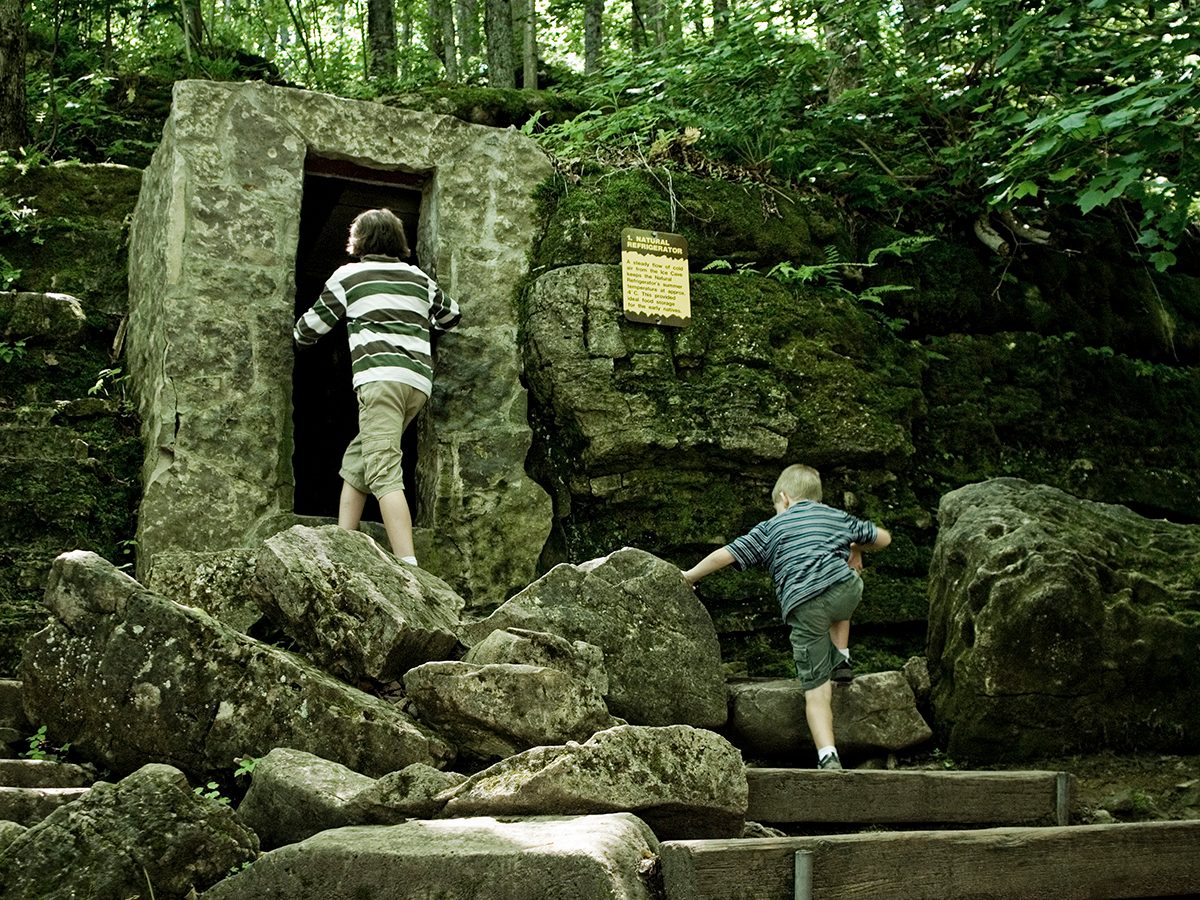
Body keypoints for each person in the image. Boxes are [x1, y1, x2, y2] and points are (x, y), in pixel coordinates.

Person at [682, 464, 891, 770]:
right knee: (838, 587)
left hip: (804, 606)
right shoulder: (833, 516)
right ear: (816, 499)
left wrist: (689, 575)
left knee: (817, 691)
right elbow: (883, 538)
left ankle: (828, 756)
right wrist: (855, 546)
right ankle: (842, 658)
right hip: (845, 590)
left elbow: (726, 554)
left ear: (785, 498)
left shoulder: (770, 528)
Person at [293, 207, 461, 565]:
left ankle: (407, 565)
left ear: (360, 241)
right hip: (416, 385)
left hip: (380, 381)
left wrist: (295, 336)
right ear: (398, 242)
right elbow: (451, 315)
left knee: (383, 467)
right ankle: (342, 543)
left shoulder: (350, 276)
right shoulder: (417, 278)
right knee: (360, 460)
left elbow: (309, 330)